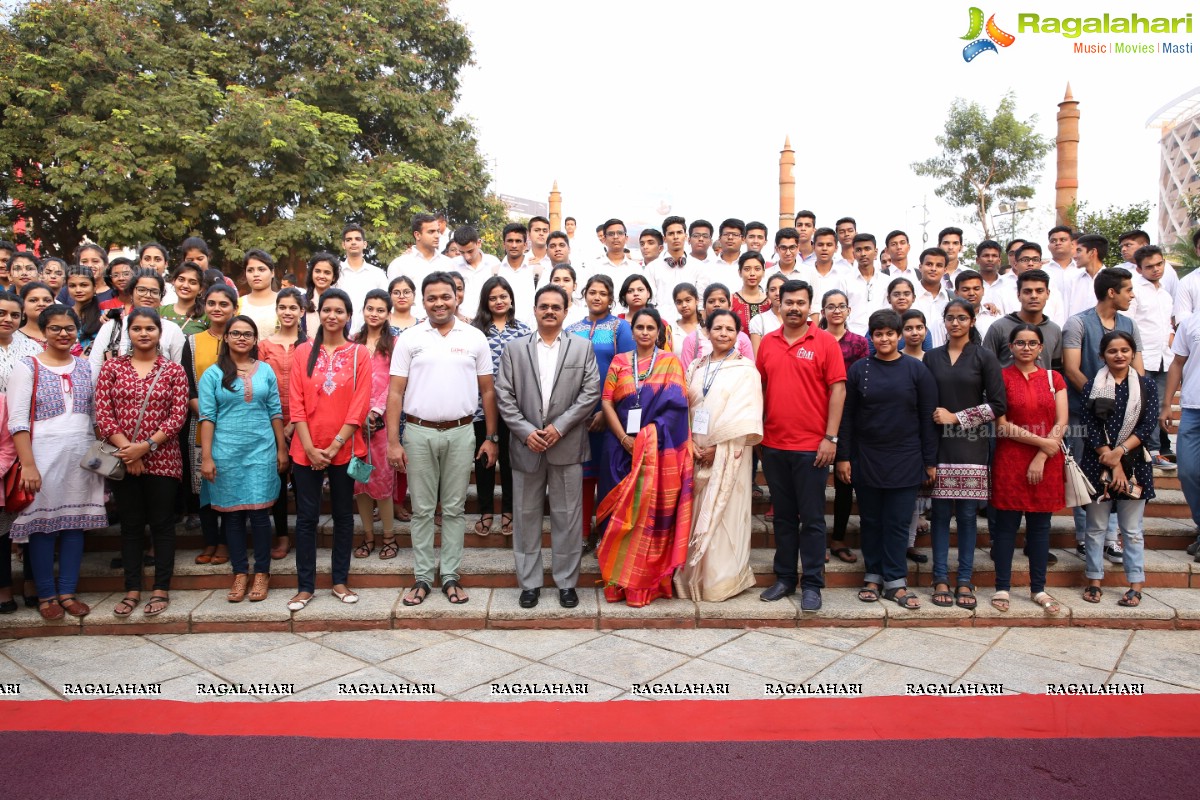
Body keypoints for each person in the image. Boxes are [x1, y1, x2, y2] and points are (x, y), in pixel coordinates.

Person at [386, 272, 499, 606]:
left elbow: (488, 391)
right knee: (421, 509)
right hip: (418, 432)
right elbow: (395, 392)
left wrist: (491, 437)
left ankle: (449, 575)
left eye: (445, 296)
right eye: (432, 298)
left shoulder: (475, 337)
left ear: (457, 297)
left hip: (462, 432)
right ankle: (422, 577)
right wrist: (393, 441)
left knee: (453, 508)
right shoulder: (409, 338)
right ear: (423, 301)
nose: (439, 303)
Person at [496, 284, 601, 608]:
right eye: (544, 306)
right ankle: (529, 584)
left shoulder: (581, 348)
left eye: (557, 306)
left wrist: (560, 427)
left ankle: (566, 583)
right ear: (535, 309)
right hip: (526, 446)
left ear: (566, 311)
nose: (550, 311)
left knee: (568, 517)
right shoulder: (515, 349)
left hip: (566, 443)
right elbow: (504, 395)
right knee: (526, 516)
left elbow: (590, 391)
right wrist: (526, 431)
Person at [8, 305, 107, 620]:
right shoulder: (28, 367)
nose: (63, 334)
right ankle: (46, 596)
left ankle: (67, 592)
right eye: (55, 328)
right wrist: (28, 465)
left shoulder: (85, 367)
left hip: (81, 458)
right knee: (42, 529)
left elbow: (94, 417)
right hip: (42, 458)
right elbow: (18, 421)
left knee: (74, 526)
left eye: (69, 328)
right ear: (44, 330)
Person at [837, 309, 936, 609]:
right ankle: (872, 575)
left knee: (896, 521)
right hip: (867, 457)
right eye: (878, 334)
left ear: (899, 335)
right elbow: (848, 417)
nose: (884, 338)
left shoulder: (916, 370)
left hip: (906, 458)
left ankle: (896, 581)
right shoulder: (859, 369)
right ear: (871, 337)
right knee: (871, 520)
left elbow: (927, 418)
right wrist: (844, 457)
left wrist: (929, 461)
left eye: (890, 333)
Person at [757, 280, 846, 611]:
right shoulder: (767, 343)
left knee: (811, 518)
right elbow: (761, 390)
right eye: (788, 302)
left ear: (811, 308)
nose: (794, 307)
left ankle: (812, 583)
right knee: (782, 517)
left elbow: (838, 390)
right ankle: (784, 578)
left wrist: (831, 437)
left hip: (813, 447)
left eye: (800, 302)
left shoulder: (824, 342)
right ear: (778, 305)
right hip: (775, 444)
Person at [96, 308, 191, 616]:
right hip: (122, 458)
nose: (144, 333)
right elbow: (103, 414)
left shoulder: (173, 371)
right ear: (129, 333)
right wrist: (129, 450)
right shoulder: (112, 369)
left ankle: (161, 588)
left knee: (163, 524)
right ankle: (132, 588)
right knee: (131, 526)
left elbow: (178, 416)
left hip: (163, 459)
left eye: (150, 328)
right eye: (137, 328)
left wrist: (146, 447)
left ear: (159, 333)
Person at [597, 307, 693, 607]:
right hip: (618, 448)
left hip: (655, 452)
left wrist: (647, 438)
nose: (645, 333)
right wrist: (624, 438)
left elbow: (677, 411)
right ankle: (617, 582)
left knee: (648, 515)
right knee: (618, 516)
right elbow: (607, 402)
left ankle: (644, 582)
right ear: (632, 330)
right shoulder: (620, 361)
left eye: (651, 328)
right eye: (640, 327)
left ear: (660, 333)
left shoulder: (670, 363)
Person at [288, 289, 370, 611]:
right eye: (326, 310)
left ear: (349, 316)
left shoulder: (358, 353)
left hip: (346, 448)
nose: (332, 315)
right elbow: (296, 402)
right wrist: (309, 447)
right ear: (318, 314)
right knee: (306, 518)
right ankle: (305, 586)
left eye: (339, 310)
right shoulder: (302, 352)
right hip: (305, 449)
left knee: (342, 516)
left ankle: (339, 580)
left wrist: (334, 445)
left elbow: (360, 404)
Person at [924, 299, 1006, 610]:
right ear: (943, 322)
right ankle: (941, 577)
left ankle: (965, 579)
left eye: (961, 318)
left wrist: (957, 417)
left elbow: (998, 405)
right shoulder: (932, 358)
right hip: (940, 445)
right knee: (941, 515)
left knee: (969, 517)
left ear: (972, 321)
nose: (955, 323)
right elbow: (925, 404)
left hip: (972, 443)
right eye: (950, 318)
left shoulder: (984, 357)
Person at [676, 309, 763, 601]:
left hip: (730, 454)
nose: (724, 333)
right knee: (697, 512)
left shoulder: (746, 369)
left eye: (730, 329)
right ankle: (693, 576)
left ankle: (721, 581)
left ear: (738, 334)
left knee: (726, 514)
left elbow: (747, 415)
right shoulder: (697, 367)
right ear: (707, 332)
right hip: (695, 450)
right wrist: (690, 442)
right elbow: (684, 408)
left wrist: (718, 448)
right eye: (718, 328)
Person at [199, 315, 287, 603]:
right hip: (226, 453)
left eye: (247, 334)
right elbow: (207, 417)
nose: (241, 338)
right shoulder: (213, 374)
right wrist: (208, 457)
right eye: (235, 333)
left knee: (260, 515)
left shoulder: (265, 371)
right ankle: (240, 573)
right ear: (226, 338)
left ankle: (262, 573)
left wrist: (281, 449)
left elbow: (275, 411)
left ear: (254, 340)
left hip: (261, 451)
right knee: (232, 515)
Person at [1063, 267, 1143, 561]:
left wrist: (1131, 400)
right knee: (1083, 471)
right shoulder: (1078, 323)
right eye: (1128, 290)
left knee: (1118, 465)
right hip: (1081, 412)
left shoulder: (1129, 325)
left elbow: (1139, 368)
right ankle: (1084, 538)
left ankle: (1111, 538)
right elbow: (1071, 368)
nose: (1132, 296)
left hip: (1125, 414)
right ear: (1112, 292)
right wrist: (1096, 399)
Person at [991, 323, 1067, 615]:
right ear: (1010, 348)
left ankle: (1039, 588)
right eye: (1020, 343)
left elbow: (1062, 420)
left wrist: (1042, 454)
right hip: (1010, 459)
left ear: (1041, 347)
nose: (1026, 348)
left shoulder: (1053, 377)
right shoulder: (1001, 377)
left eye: (1032, 343)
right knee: (1006, 528)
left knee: (1040, 527)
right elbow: (1003, 425)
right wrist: (1043, 443)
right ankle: (1002, 587)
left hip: (1047, 461)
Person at [1079, 331, 1157, 607]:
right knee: (1096, 527)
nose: (1119, 355)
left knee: (1132, 530)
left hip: (1135, 465)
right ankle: (1094, 581)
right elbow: (1088, 426)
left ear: (1133, 353)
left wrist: (1120, 454)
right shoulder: (1092, 386)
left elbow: (1147, 426)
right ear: (1102, 355)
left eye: (1125, 350)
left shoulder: (1146, 385)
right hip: (1097, 464)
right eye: (1113, 351)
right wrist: (1108, 457)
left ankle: (1135, 584)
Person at [565, 274, 635, 551]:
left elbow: (628, 370)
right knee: (581, 477)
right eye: (592, 292)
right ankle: (582, 534)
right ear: (584, 294)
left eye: (603, 293)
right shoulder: (571, 328)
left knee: (608, 475)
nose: (597, 297)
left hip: (611, 413)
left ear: (611, 298)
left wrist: (608, 413)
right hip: (577, 413)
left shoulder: (621, 328)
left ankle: (606, 533)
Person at [471, 276, 531, 536]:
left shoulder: (524, 331)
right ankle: (486, 510)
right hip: (478, 405)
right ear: (486, 301)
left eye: (503, 296)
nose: (498, 301)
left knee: (509, 461)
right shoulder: (474, 331)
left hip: (512, 407)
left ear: (511, 299)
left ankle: (508, 510)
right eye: (493, 297)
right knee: (484, 460)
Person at [186, 283, 237, 563]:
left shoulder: (241, 338)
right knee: (204, 485)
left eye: (224, 304)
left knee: (228, 484)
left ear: (234, 308)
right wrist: (206, 415)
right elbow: (188, 386)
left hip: (234, 428)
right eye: (212, 303)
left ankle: (227, 543)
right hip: (200, 422)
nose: (217, 309)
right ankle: (210, 541)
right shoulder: (193, 342)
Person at [258, 288, 306, 560]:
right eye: (282, 307)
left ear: (302, 311)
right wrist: (279, 427)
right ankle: (282, 537)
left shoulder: (310, 345)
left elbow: (313, 390)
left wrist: (295, 423)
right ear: (277, 311)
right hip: (269, 423)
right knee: (276, 481)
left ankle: (304, 533)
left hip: (303, 425)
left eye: (293, 307)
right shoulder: (264, 346)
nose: (287, 312)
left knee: (302, 483)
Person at [821, 288, 868, 563]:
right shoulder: (815, 339)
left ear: (848, 310)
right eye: (831, 306)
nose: (836, 311)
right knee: (813, 483)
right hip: (817, 413)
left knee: (843, 480)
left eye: (841, 306)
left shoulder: (859, 342)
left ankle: (838, 538)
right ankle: (814, 539)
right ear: (823, 311)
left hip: (850, 416)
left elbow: (861, 378)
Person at [351, 289, 398, 558]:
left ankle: (389, 537)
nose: (375, 314)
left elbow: (394, 382)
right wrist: (358, 415)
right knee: (360, 483)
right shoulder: (352, 342)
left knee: (381, 481)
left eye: (380, 310)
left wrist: (375, 411)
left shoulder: (394, 344)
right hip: (354, 424)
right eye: (370, 308)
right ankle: (368, 536)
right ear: (363, 310)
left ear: (388, 314)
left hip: (383, 423)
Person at [1128, 245, 1176, 468]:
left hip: (1164, 358)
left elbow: (1168, 323)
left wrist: (1171, 335)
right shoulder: (1134, 291)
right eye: (1149, 267)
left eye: (1159, 264)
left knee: (1158, 407)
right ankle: (1149, 451)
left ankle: (1154, 451)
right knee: (1143, 407)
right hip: (1142, 358)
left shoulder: (1166, 294)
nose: (1156, 269)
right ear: (1138, 269)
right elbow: (1128, 325)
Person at [1162, 301, 1200, 559]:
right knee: (1187, 471)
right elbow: (1177, 363)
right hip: (1193, 407)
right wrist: (1167, 403)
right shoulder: (1191, 321)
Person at [90, 269, 186, 367]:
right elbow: (95, 366)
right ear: (131, 293)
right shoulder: (112, 327)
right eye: (141, 290)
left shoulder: (172, 330)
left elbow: (180, 371)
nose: (148, 295)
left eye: (154, 291)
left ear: (160, 296)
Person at [679, 283, 754, 371]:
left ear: (730, 306)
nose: (717, 305)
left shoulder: (742, 338)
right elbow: (686, 376)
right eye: (711, 301)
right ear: (704, 306)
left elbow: (750, 371)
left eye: (722, 301)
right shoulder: (692, 339)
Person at [335, 223, 389, 330]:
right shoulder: (335, 272)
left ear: (364, 244)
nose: (353, 242)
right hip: (338, 332)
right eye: (349, 239)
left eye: (357, 239)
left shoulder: (377, 273)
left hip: (370, 333)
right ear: (343, 244)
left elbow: (386, 304)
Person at [387, 212, 454, 286]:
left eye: (438, 231)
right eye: (431, 232)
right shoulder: (400, 265)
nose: (437, 236)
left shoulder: (449, 263)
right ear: (417, 235)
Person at [618, 273, 673, 350]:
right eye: (630, 291)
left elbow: (668, 355)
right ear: (624, 296)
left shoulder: (662, 324)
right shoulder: (616, 323)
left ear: (648, 293)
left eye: (640, 290)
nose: (636, 294)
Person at [159, 261, 209, 335]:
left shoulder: (207, 316)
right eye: (181, 280)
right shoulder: (160, 312)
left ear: (200, 289)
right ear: (174, 281)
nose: (185, 285)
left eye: (192, 282)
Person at [237, 249, 279, 336]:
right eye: (250, 270)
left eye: (261, 269)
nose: (255, 274)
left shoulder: (283, 302)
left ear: (272, 273)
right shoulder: (238, 304)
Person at [65, 267, 103, 355]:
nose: (78, 290)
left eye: (84, 285)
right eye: (72, 286)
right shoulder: (62, 315)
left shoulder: (104, 317)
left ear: (94, 287)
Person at [730, 251, 769, 333]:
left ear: (763, 272)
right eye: (747, 269)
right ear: (740, 272)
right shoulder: (731, 300)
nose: (752, 273)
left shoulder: (770, 302)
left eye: (757, 269)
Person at [303, 252, 340, 337]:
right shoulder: (302, 301)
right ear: (312, 273)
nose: (321, 276)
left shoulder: (341, 302)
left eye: (327, 273)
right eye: (317, 271)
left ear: (334, 277)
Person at [749, 273, 785, 354]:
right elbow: (757, 357)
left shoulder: (802, 319)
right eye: (772, 290)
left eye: (782, 289)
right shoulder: (758, 321)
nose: (777, 293)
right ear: (767, 294)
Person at [15, 282, 54, 348]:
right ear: (23, 307)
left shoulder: (65, 334)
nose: (41, 304)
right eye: (33, 300)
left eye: (47, 300)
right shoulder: (13, 338)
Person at [672, 282, 701, 351]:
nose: (684, 305)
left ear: (697, 300)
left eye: (688, 300)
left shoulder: (707, 328)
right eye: (679, 302)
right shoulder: (671, 330)